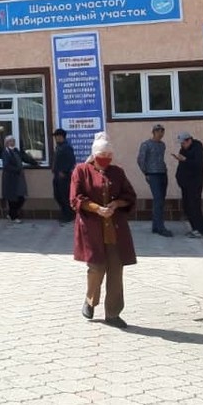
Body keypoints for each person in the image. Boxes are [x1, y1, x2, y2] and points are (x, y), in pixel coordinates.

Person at [72, 132, 137, 329]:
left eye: (109, 155)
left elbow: (130, 195)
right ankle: (90, 300)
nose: (106, 159)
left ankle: (113, 313)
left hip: (115, 229)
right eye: (102, 155)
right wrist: (96, 208)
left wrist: (116, 204)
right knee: (96, 268)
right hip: (92, 228)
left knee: (116, 270)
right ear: (94, 155)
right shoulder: (81, 171)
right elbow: (75, 198)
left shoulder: (117, 172)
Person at [137, 124, 173, 237]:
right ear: (154, 132)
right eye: (158, 131)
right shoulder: (146, 144)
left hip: (162, 173)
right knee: (158, 200)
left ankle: (156, 226)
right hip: (153, 174)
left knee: (161, 200)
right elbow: (140, 160)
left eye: (162, 131)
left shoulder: (162, 145)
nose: (160, 133)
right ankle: (161, 227)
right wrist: (146, 173)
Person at [173, 132, 203, 238]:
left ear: (189, 140)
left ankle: (199, 229)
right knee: (187, 206)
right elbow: (182, 166)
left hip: (194, 183)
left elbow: (198, 164)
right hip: (185, 183)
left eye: (183, 143)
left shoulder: (198, 149)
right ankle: (194, 228)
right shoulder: (183, 150)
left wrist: (185, 160)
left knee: (194, 206)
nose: (182, 145)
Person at [1, 135, 40, 225]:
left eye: (13, 140)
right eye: (11, 141)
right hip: (10, 178)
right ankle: (14, 217)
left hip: (18, 178)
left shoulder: (16, 151)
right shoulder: (5, 152)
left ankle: (11, 214)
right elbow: (6, 166)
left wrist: (35, 163)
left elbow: (25, 158)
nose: (13, 142)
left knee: (20, 197)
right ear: (7, 143)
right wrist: (17, 170)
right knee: (13, 198)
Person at [52, 129, 76, 225]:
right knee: (57, 195)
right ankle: (64, 213)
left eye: (57, 136)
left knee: (64, 196)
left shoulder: (67, 147)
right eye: (55, 136)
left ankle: (68, 215)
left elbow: (72, 161)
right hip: (57, 175)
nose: (56, 138)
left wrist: (64, 171)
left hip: (64, 177)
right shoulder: (59, 147)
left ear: (61, 136)